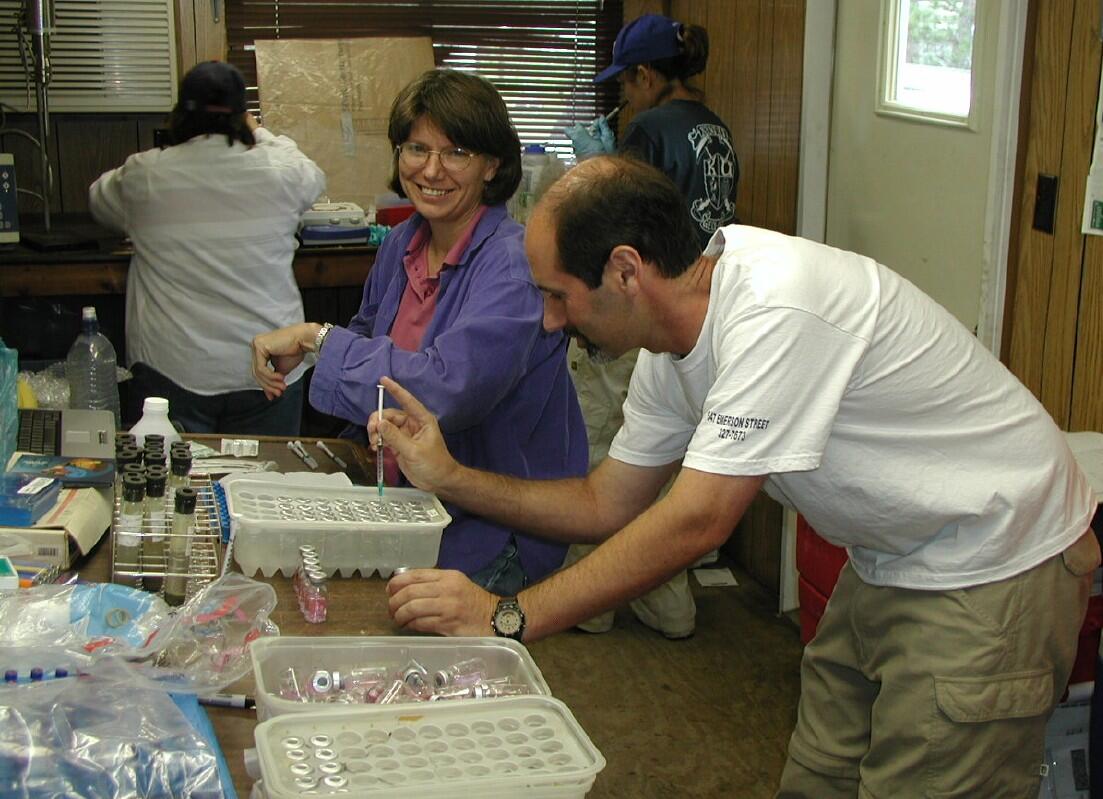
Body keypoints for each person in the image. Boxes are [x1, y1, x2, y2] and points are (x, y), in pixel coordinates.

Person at [377, 155, 1100, 797]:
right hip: (893, 555)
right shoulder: (671, 346)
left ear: (625, 270)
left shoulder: (774, 307)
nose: (545, 319)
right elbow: (606, 503)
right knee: (819, 770)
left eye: (557, 294)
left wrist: (507, 615)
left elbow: (697, 519)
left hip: (996, 556)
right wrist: (449, 474)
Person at [251, 69, 587, 596]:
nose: (431, 169)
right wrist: (318, 354)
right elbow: (367, 330)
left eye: (456, 152)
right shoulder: (403, 241)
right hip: (407, 502)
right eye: (416, 148)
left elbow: (444, 392)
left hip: (489, 526)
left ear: (491, 165)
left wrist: (318, 340)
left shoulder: (512, 264)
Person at [562, 13, 740, 638]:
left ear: (645, 75)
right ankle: (671, 607)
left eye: (625, 84)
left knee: (600, 456)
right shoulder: (715, 132)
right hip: (693, 322)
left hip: (636, 314)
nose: (622, 99)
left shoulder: (650, 130)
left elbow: (615, 227)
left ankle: (594, 606)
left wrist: (594, 171)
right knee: (664, 464)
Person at [89, 60, 325, 436]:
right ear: (242, 116)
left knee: (173, 487)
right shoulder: (281, 171)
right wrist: (258, 131)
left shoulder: (146, 176)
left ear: (180, 115)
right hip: (272, 368)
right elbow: (313, 176)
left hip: (174, 370)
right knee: (268, 482)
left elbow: (98, 202)